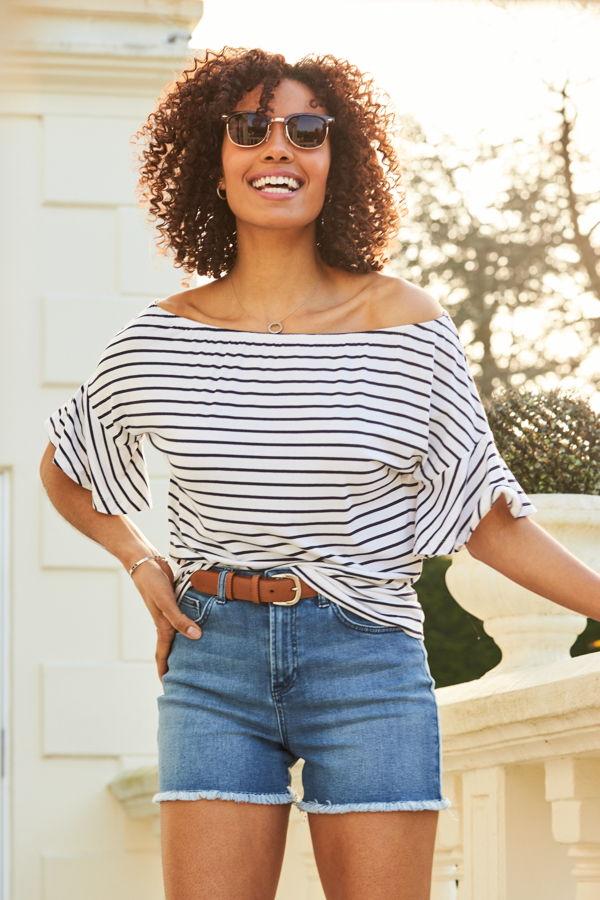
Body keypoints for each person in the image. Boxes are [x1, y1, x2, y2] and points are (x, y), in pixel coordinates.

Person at [40, 48, 600, 900]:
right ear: (211, 159)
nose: (278, 147)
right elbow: (65, 467)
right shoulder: (160, 340)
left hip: (367, 656)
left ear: (338, 160)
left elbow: (489, 519)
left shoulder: (407, 327)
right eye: (249, 129)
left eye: (307, 129)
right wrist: (141, 558)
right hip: (211, 659)